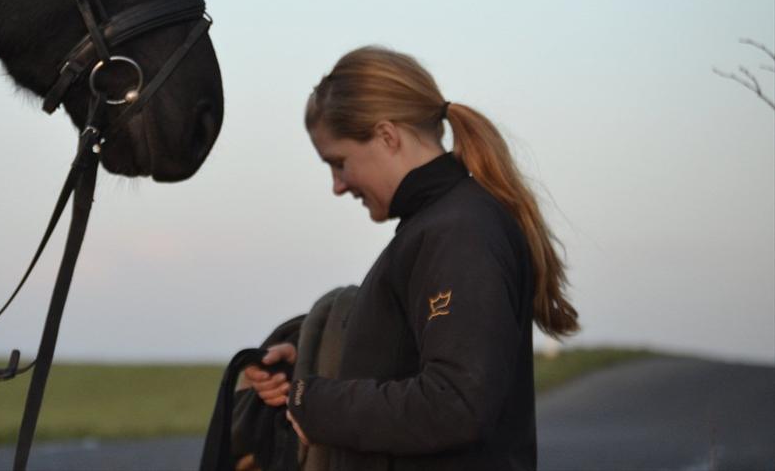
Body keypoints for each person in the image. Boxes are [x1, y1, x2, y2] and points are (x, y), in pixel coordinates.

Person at [242, 46, 578, 471]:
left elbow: (454, 401)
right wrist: (309, 362)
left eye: (339, 163)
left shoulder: (457, 231)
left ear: (387, 136)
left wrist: (317, 403)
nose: (338, 186)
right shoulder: (438, 224)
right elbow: (409, 360)